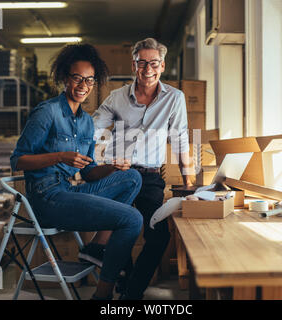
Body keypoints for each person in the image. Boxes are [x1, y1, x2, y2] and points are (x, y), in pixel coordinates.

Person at [10, 44, 143, 300]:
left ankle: (96, 246)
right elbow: (18, 160)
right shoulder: (47, 112)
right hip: (47, 197)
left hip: (70, 190)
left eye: (90, 80)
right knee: (132, 219)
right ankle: (102, 296)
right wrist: (60, 157)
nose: (84, 85)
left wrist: (111, 166)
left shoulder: (85, 121)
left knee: (131, 177)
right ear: (64, 78)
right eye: (77, 78)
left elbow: (90, 172)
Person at [87, 38, 193, 300]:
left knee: (157, 238)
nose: (147, 69)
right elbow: (94, 128)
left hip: (150, 177)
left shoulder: (175, 98)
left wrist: (189, 184)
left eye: (153, 63)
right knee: (121, 230)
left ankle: (131, 292)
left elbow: (180, 140)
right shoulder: (117, 97)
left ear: (162, 65)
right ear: (134, 64)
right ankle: (123, 280)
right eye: (142, 63)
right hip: (119, 175)